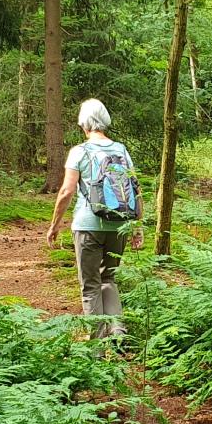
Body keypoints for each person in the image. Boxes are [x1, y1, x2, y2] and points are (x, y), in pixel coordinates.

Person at [45, 98, 140, 338]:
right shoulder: (121, 150)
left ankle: (97, 346)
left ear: (84, 123)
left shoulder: (79, 152)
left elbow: (66, 191)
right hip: (119, 224)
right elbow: (135, 189)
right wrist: (136, 227)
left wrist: (54, 225)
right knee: (109, 278)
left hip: (87, 225)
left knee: (90, 286)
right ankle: (118, 332)